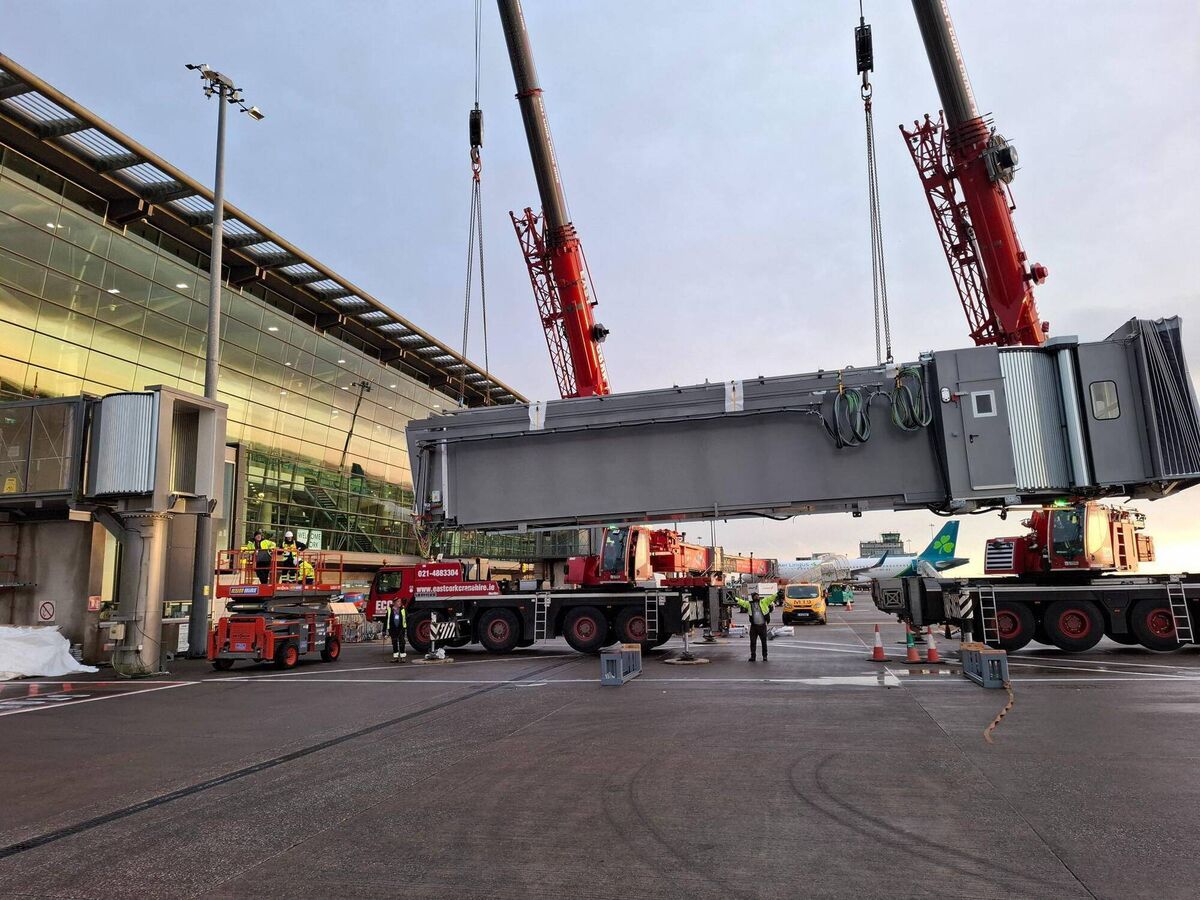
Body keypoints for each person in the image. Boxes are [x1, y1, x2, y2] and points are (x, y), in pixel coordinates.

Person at [736, 589, 773, 662]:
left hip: (762, 625)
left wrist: (777, 594)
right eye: (755, 596)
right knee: (753, 642)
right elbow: (742, 602)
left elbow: (771, 598)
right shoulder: (749, 604)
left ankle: (765, 656)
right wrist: (735, 599)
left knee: (764, 642)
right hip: (754, 626)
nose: (756, 597)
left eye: (757, 596)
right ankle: (753, 656)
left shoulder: (763, 602)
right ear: (752, 598)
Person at [384, 597, 407, 661]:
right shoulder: (389, 610)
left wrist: (405, 627)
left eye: (400, 601)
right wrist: (384, 630)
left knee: (402, 643)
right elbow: (386, 620)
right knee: (394, 643)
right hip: (392, 629)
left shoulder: (403, 609)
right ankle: (396, 658)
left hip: (401, 629)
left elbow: (406, 618)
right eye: (398, 601)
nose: (400, 603)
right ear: (394, 603)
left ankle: (402, 657)